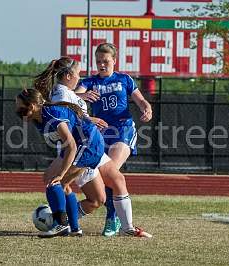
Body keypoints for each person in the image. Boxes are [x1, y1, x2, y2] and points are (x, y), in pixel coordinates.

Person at [15, 88, 152, 238]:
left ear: (33, 105)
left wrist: (61, 173)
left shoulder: (51, 114)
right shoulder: (39, 117)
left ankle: (60, 224)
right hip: (87, 143)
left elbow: (72, 146)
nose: (18, 111)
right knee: (64, 186)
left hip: (88, 145)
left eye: (21, 107)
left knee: (55, 183)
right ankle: (74, 228)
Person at [76, 42, 153, 237]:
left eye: (106, 61)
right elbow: (72, 96)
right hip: (99, 133)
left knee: (111, 171)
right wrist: (82, 96)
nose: (102, 65)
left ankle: (113, 218)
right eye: (98, 61)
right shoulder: (91, 82)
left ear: (114, 61)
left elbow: (139, 98)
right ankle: (100, 214)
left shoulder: (124, 79)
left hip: (122, 130)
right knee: (105, 176)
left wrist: (146, 107)